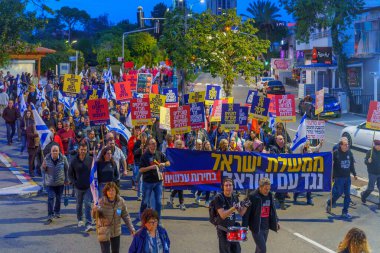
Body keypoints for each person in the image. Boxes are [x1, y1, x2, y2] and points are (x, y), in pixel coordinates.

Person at [92, 182, 136, 253]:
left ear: (116, 191)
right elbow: (95, 216)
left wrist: (131, 229)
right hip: (104, 231)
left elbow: (126, 216)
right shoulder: (101, 202)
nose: (111, 192)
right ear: (106, 192)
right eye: (109, 190)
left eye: (113, 190)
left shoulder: (121, 201)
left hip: (116, 231)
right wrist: (94, 210)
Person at [243, 177, 280, 253]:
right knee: (263, 249)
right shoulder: (252, 196)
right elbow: (246, 214)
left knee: (259, 249)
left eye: (269, 188)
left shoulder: (270, 195)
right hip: (256, 228)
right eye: (266, 189)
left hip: (266, 227)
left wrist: (276, 221)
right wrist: (244, 228)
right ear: (260, 187)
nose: (267, 191)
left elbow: (273, 210)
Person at [326, 137, 357, 219]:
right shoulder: (335, 153)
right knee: (339, 193)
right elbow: (330, 164)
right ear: (341, 145)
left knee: (347, 194)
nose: (347, 146)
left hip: (347, 177)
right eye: (345, 145)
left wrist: (354, 174)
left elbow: (351, 165)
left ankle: (345, 212)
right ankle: (330, 203)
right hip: (339, 177)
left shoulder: (349, 153)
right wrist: (331, 176)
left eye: (348, 144)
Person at [139, 138, 170, 220]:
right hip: (148, 182)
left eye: (155, 143)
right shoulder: (145, 156)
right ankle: (141, 216)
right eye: (152, 143)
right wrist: (151, 167)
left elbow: (168, 163)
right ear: (149, 145)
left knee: (158, 202)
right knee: (145, 202)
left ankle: (158, 220)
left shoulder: (159, 153)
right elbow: (141, 170)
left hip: (158, 182)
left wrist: (163, 164)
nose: (154, 145)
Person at [214, 178, 248, 253]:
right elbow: (223, 215)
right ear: (223, 187)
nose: (228, 187)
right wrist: (234, 207)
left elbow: (241, 213)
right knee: (225, 251)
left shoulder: (234, 197)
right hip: (223, 229)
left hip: (233, 229)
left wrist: (246, 205)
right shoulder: (219, 198)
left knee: (236, 250)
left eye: (230, 185)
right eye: (226, 185)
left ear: (233, 186)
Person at [68, 143, 94, 232]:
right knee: (79, 204)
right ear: (78, 150)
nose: (83, 151)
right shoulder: (74, 161)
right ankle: (80, 219)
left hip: (88, 187)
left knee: (87, 204)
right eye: (81, 149)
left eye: (85, 149)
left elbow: (94, 172)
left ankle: (89, 223)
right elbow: (70, 174)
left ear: (87, 150)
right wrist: (74, 182)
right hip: (78, 187)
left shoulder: (90, 160)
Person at [42, 144, 69, 223]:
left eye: (56, 151)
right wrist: (43, 168)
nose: (54, 152)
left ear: (59, 151)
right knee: (51, 197)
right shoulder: (46, 158)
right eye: (53, 151)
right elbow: (43, 171)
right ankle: (50, 214)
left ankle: (57, 212)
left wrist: (67, 179)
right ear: (51, 152)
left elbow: (66, 169)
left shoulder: (63, 158)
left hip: (60, 182)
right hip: (50, 183)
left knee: (58, 198)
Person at [293, 140, 323, 205]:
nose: (308, 145)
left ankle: (309, 199)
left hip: (310, 169)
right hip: (302, 170)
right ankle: (296, 194)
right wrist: (303, 146)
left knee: (309, 185)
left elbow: (316, 148)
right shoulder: (301, 149)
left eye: (308, 144)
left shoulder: (310, 149)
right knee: (302, 185)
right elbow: (298, 152)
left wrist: (320, 144)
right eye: (307, 144)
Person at [269, 135, 292, 210]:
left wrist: (288, 155)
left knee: (284, 186)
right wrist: (283, 156)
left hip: (285, 171)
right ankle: (281, 201)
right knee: (281, 186)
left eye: (283, 139)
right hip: (277, 171)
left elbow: (293, 156)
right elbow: (273, 158)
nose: (282, 140)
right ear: (276, 140)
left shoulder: (286, 148)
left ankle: (278, 196)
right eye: (280, 139)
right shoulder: (273, 148)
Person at [361, 138, 380, 209]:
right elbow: (365, 161)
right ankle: (363, 195)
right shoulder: (370, 152)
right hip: (372, 173)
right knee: (370, 188)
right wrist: (368, 161)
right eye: (377, 145)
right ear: (374, 145)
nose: (379, 147)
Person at [168, 140, 186, 210]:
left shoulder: (184, 152)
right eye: (178, 144)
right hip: (175, 172)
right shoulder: (172, 152)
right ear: (175, 145)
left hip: (182, 172)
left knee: (179, 187)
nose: (179, 145)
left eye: (180, 144)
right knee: (179, 187)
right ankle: (181, 204)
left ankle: (172, 196)